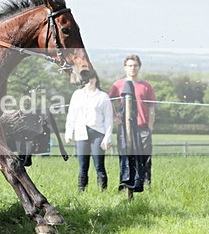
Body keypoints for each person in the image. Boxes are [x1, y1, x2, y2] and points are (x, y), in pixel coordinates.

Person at [108, 54, 156, 194]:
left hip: (142, 127)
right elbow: (108, 101)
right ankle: (125, 184)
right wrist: (115, 116)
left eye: (135, 65)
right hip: (125, 128)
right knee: (125, 156)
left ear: (139, 67)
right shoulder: (118, 85)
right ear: (125, 67)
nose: (132, 68)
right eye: (130, 65)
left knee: (145, 157)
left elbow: (152, 108)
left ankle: (146, 185)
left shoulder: (146, 86)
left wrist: (150, 126)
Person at [64, 71, 113, 192]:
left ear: (96, 79)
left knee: (99, 165)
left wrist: (107, 137)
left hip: (97, 133)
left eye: (92, 78)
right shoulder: (77, 95)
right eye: (87, 79)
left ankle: (102, 191)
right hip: (81, 133)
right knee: (83, 166)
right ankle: (81, 191)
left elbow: (108, 119)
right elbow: (71, 115)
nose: (90, 81)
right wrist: (69, 132)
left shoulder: (103, 96)